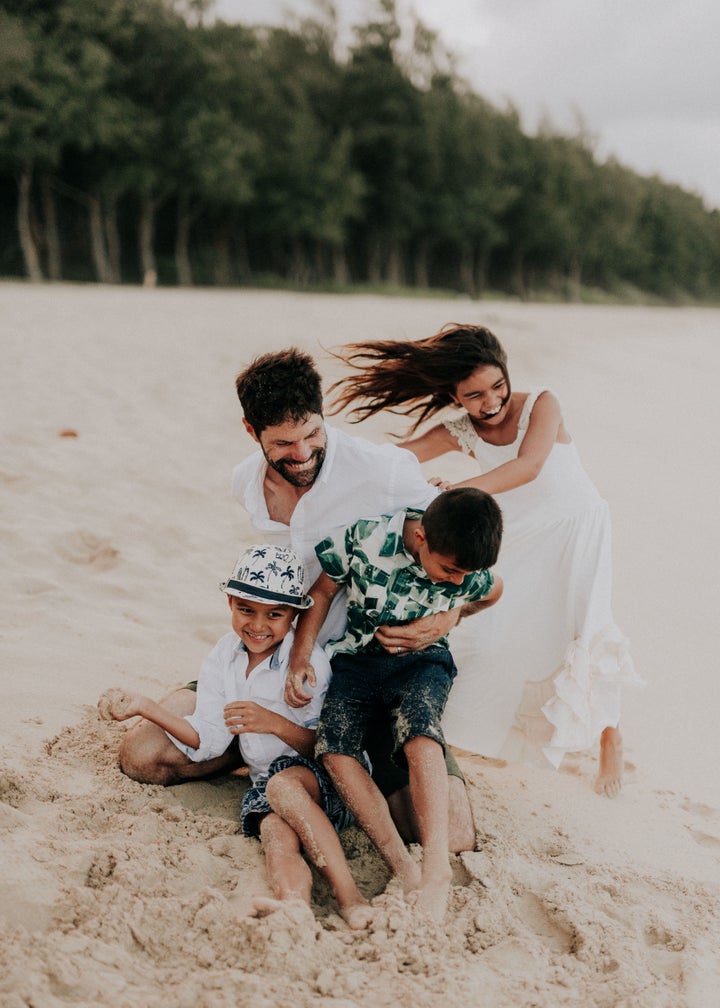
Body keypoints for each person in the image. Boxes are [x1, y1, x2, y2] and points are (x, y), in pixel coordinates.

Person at [119, 348, 477, 851]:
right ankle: (272, 752)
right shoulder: (245, 482)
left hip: (362, 671)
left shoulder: (386, 472)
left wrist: (448, 616)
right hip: (269, 660)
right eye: (284, 444)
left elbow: (464, 560)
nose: (303, 452)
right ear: (252, 432)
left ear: (323, 412)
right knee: (143, 755)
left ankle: (332, 759)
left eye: (312, 433)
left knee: (452, 836)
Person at [328, 324, 640, 797]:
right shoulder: (460, 430)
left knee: (586, 627)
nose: (490, 401)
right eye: (473, 395)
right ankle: (463, 725)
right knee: (490, 629)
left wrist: (455, 492)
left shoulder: (542, 404)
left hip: (577, 523)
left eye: (498, 386)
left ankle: (610, 737)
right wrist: (332, 458)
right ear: (454, 395)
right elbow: (393, 459)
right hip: (521, 533)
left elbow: (529, 465)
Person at [99, 545, 373, 930]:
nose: (258, 625)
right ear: (230, 601)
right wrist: (147, 707)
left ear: (294, 614)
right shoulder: (224, 656)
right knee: (275, 832)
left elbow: (332, 748)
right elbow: (207, 740)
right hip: (267, 782)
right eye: (246, 610)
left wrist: (274, 723)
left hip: (321, 778)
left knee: (285, 787)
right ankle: (293, 904)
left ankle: (351, 899)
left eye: (274, 615)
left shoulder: (308, 663)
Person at [285, 488, 503, 921]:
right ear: (420, 536)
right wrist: (300, 655)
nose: (459, 581)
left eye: (466, 574)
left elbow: (493, 589)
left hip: (423, 660)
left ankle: (436, 867)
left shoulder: (463, 567)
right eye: (451, 570)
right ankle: (402, 866)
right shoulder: (365, 541)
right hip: (359, 661)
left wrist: (454, 613)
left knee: (421, 734)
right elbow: (323, 591)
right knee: (334, 750)